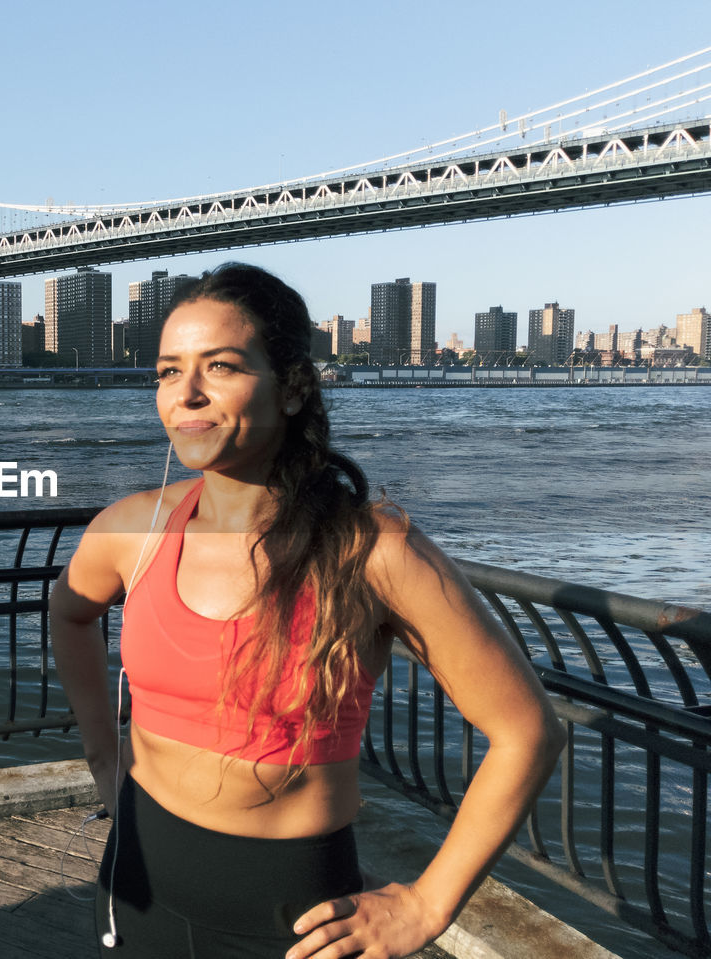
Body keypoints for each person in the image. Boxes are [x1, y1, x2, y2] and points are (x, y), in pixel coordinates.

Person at [50, 262, 565, 959]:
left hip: (295, 923)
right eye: (168, 372)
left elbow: (527, 728)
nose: (187, 395)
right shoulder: (131, 531)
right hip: (137, 880)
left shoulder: (372, 551)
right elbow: (70, 613)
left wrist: (426, 903)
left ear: (292, 387)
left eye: (220, 366)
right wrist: (103, 757)